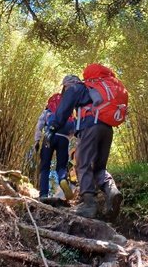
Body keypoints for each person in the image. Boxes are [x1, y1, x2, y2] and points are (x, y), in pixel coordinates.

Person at [46, 67, 124, 220]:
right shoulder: (92, 90)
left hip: (91, 127)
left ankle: (89, 205)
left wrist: (53, 127)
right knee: (99, 167)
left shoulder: (75, 88)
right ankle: (112, 191)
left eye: (64, 88)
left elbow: (63, 110)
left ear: (67, 84)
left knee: (83, 164)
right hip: (107, 129)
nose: (64, 91)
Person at [34, 93, 75, 201]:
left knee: (45, 166)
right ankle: (62, 179)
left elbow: (40, 125)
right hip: (64, 139)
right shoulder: (68, 111)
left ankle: (43, 194)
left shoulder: (48, 110)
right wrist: (67, 138)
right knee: (61, 166)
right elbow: (74, 129)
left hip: (49, 137)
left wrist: (37, 140)